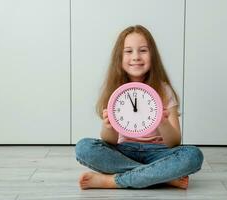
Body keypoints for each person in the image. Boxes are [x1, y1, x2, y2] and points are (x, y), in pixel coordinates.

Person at [75, 25, 203, 189]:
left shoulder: (164, 90)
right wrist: (108, 126)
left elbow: (174, 142)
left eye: (143, 50)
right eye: (128, 51)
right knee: (84, 147)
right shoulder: (116, 91)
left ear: (153, 56)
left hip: (159, 153)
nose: (136, 57)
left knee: (193, 155)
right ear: (119, 57)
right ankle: (160, 177)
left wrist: (163, 123)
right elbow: (110, 141)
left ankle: (113, 181)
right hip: (124, 150)